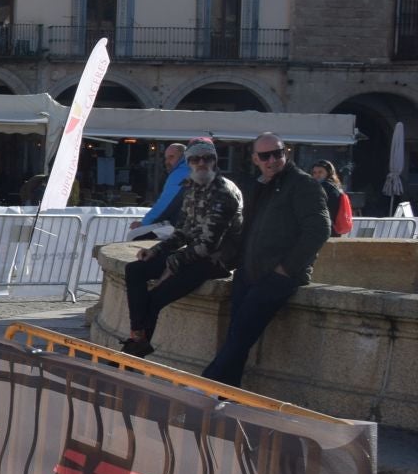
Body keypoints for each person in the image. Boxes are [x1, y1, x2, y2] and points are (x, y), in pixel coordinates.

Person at [201, 133, 331, 387]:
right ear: (255, 159)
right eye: (265, 156)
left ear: (286, 153)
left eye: (277, 153)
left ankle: (201, 389)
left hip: (276, 277)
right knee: (236, 339)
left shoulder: (303, 184)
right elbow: (246, 228)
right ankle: (223, 399)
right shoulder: (258, 185)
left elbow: (319, 229)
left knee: (239, 337)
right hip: (249, 272)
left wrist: (285, 269)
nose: (272, 160)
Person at [121, 142, 243, 357]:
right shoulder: (191, 188)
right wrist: (158, 251)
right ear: (188, 163)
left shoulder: (224, 192)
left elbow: (209, 245)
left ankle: (135, 349)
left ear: (215, 162)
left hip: (216, 260)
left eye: (207, 158)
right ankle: (137, 334)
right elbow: (183, 231)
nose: (202, 163)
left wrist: (173, 262)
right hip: (194, 253)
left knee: (157, 296)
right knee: (135, 270)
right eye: (196, 160)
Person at [131, 143, 189, 236]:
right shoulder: (193, 171)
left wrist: (144, 223)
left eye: (171, 157)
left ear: (183, 156)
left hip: (183, 229)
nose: (167, 161)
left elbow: (165, 204)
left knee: (134, 235)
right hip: (197, 227)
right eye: (166, 158)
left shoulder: (180, 174)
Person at [308, 161, 354, 237]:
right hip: (334, 228)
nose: (317, 175)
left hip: (324, 229)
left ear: (328, 173)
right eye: (314, 173)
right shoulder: (335, 186)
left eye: (320, 172)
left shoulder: (323, 187)